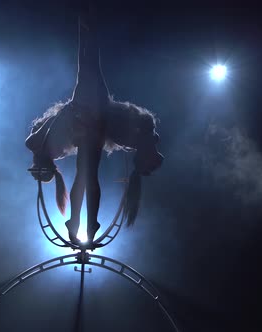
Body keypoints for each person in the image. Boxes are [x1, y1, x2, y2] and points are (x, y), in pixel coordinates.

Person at [25, 8, 163, 245]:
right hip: (89, 122)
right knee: (86, 173)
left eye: (43, 172)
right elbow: (59, 129)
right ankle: (85, 224)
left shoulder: (38, 146)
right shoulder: (50, 152)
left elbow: (50, 124)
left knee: (86, 173)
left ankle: (83, 223)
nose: (46, 171)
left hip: (86, 118)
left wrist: (65, 113)